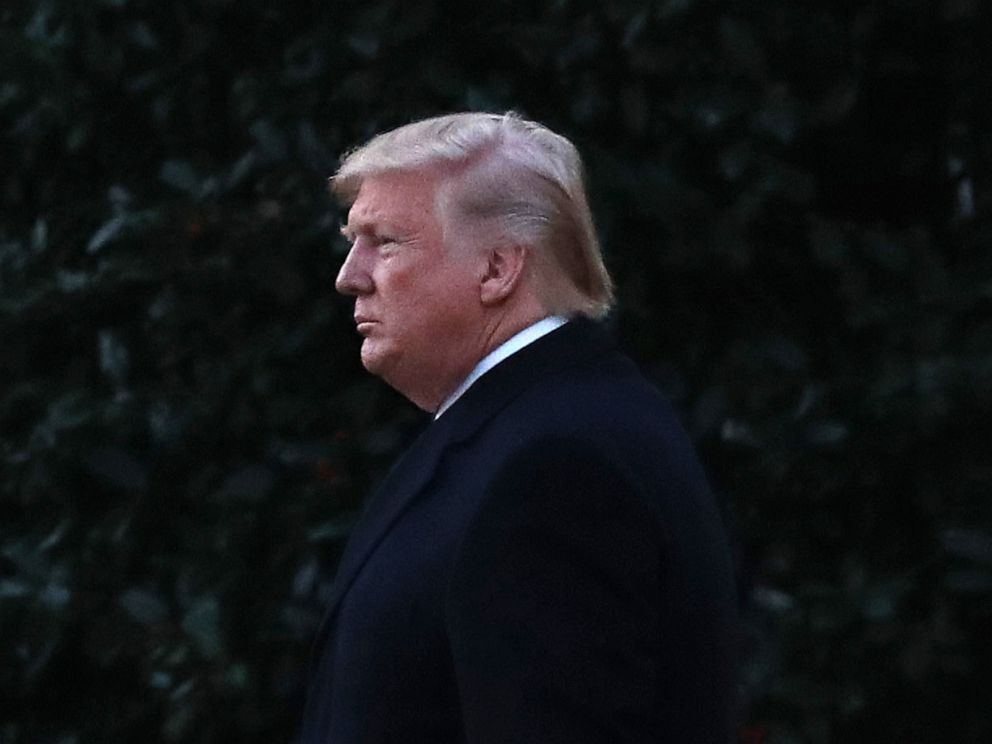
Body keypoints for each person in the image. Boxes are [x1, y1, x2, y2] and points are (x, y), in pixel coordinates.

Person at [301, 112, 738, 743]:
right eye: (352, 240)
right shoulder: (538, 428)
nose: (349, 276)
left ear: (498, 268)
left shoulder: (558, 460)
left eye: (385, 241)